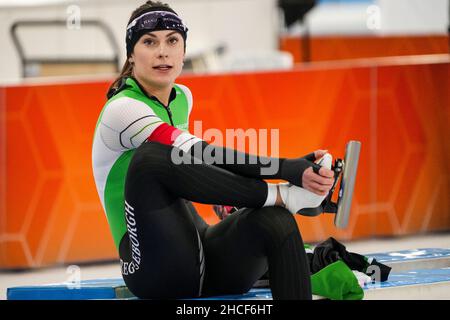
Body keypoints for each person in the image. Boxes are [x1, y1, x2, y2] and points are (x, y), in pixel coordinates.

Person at [92, 0, 335, 300]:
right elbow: (197, 151)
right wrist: (285, 172)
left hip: (199, 255)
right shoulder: (122, 109)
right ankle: (284, 197)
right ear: (131, 54)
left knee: (275, 221)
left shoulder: (182, 97)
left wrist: (289, 171)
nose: (162, 51)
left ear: (183, 51)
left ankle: (283, 202)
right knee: (150, 158)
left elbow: (194, 164)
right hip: (150, 270)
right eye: (149, 42)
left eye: (172, 40)